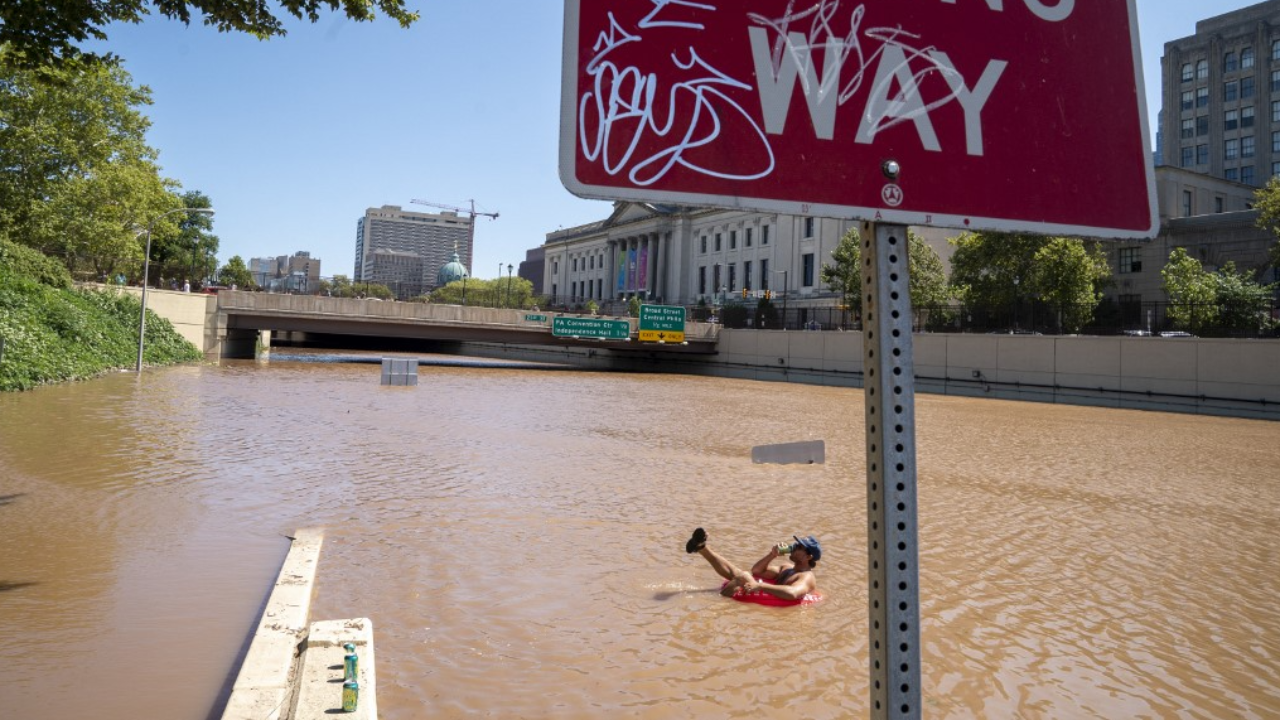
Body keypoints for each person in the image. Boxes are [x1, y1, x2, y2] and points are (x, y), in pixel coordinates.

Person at [684, 527, 821, 602]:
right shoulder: (787, 568)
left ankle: (717, 602)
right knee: (739, 572)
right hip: (769, 591)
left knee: (743, 576)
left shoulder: (806, 577)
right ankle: (701, 548)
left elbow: (792, 594)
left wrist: (760, 585)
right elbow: (756, 571)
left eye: (799, 547)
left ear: (808, 557)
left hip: (778, 599)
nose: (794, 547)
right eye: (796, 544)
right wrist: (772, 555)